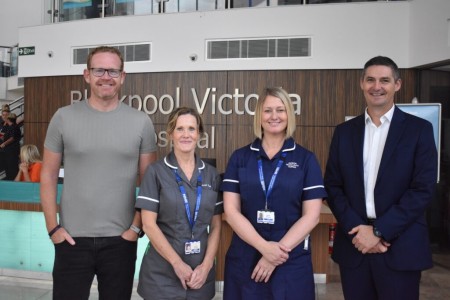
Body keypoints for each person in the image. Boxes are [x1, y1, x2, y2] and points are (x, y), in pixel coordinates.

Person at [40, 46, 157, 300]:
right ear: (87, 74)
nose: (106, 76)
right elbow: (47, 175)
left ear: (123, 76)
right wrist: (52, 228)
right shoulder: (63, 118)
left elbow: (149, 183)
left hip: (120, 241)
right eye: (99, 70)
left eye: (113, 70)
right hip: (71, 240)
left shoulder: (141, 122)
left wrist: (135, 230)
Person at [324, 56, 438, 300]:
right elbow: (333, 186)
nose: (377, 86)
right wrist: (359, 231)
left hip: (401, 246)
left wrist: (379, 232)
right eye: (371, 80)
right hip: (355, 247)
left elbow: (423, 189)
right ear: (362, 84)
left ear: (397, 84)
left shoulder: (419, 130)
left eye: (384, 80)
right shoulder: (344, 132)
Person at [221, 87, 326, 300]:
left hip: (290, 258)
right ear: (259, 115)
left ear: (289, 114)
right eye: (268, 110)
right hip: (247, 256)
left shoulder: (306, 159)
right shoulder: (240, 158)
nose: (274, 116)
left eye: (280, 110)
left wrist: (274, 255)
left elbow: (312, 216)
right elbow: (231, 211)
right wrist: (263, 248)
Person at [135, 106, 223, 300]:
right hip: (162, 276)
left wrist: (207, 265)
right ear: (170, 134)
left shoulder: (211, 174)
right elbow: (148, 224)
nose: (186, 134)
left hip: (200, 275)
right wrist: (177, 263)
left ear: (199, 134)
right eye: (180, 129)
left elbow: (216, 226)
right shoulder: (156, 172)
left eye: (191, 129)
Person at [0, 113, 21, 180]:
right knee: (7, 167)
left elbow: (12, 138)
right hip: (7, 152)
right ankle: (9, 179)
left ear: (8, 119)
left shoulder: (14, 127)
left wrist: (4, 144)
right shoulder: (9, 127)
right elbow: (6, 136)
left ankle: (13, 180)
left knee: (12, 167)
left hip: (12, 151)